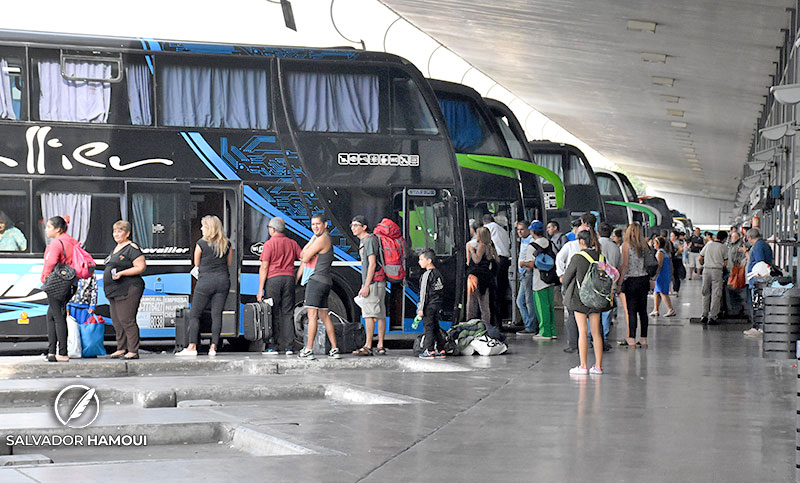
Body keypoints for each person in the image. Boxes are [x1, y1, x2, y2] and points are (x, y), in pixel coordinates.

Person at [176, 215, 232, 357]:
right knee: (216, 315)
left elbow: (197, 264)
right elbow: (229, 263)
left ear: (208, 228)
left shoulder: (201, 243)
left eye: (203, 226)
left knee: (195, 314)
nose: (201, 228)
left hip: (205, 281)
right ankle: (213, 347)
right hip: (223, 281)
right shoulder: (227, 244)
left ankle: (192, 346)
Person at [562, 229, 604, 375]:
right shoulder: (600, 256)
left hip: (580, 299)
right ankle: (598, 366)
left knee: (582, 332)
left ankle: (583, 366)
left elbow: (566, 279)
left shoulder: (577, 257)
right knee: (596, 332)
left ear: (581, 242)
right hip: (596, 298)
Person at [256, 217, 301, 355]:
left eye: (269, 227)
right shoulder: (292, 243)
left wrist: (260, 289)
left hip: (273, 281)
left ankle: (273, 346)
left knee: (272, 313)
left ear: (273, 229)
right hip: (289, 279)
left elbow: (264, 267)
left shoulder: (269, 244)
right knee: (288, 313)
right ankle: (289, 347)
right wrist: (296, 277)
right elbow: (304, 258)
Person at [298, 215, 340, 360]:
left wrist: (312, 240)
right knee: (324, 315)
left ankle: (308, 349)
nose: (315, 227)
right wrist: (313, 238)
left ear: (325, 224)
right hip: (326, 281)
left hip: (316, 281)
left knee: (312, 316)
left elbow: (304, 257)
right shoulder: (326, 238)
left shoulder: (322, 239)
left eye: (318, 224)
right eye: (312, 224)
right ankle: (334, 348)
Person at [104, 220, 146, 360]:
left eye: (120, 231)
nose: (116, 234)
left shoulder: (131, 247)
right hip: (115, 290)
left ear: (127, 233)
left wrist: (122, 273)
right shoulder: (116, 247)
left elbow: (140, 267)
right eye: (115, 231)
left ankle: (133, 350)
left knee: (127, 319)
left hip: (129, 288)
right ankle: (121, 348)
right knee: (116, 320)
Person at [555, 212, 596, 353]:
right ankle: (593, 342)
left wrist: (561, 276)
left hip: (574, 285)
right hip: (592, 286)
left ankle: (574, 343)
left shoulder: (571, 247)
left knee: (573, 315)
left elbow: (559, 259)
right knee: (593, 315)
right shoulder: (598, 248)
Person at [40, 216, 79, 362]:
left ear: (58, 229)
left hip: (57, 283)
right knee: (52, 314)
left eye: (49, 227)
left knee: (58, 316)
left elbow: (50, 262)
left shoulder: (57, 243)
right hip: (71, 283)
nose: (46, 229)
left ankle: (62, 352)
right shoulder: (72, 241)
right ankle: (51, 352)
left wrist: (45, 277)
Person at [351, 215, 388, 356]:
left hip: (373, 283)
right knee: (379, 314)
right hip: (377, 282)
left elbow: (372, 263)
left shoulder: (369, 240)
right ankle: (380, 345)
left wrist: (366, 285)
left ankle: (368, 346)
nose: (353, 228)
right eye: (352, 225)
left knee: (369, 314)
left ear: (364, 227)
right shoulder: (368, 240)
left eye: (356, 225)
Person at [520, 221, 557, 340]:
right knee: (550, 306)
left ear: (532, 232)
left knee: (541, 307)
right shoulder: (549, 243)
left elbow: (532, 264)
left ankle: (544, 332)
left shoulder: (533, 246)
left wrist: (523, 263)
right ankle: (552, 330)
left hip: (539, 280)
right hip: (550, 279)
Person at [617, 223, 649, 348]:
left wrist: (620, 283)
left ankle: (631, 338)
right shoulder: (644, 245)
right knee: (643, 311)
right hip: (644, 279)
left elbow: (624, 265)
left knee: (632, 311)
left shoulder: (626, 245)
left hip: (631, 281)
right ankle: (644, 338)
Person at [482, 214, 511, 326]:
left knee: (495, 292)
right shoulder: (502, 229)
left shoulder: (489, 227)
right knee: (501, 291)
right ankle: (502, 317)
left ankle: (495, 320)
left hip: (497, 261)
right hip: (505, 260)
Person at [417, 249, 446, 358]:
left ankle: (429, 350)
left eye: (421, 259)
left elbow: (423, 293)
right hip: (437, 304)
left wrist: (421, 308)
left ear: (429, 260)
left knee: (428, 328)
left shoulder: (427, 274)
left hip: (428, 306)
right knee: (436, 327)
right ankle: (441, 348)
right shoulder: (438, 273)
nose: (419, 262)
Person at [743, 228, 773, 336]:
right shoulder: (764, 244)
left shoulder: (758, 246)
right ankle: (759, 326)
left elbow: (760, 263)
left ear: (750, 238)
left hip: (757, 280)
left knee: (757, 304)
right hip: (760, 280)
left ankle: (757, 327)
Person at [596, 222, 620, 349]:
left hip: (597, 281)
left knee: (593, 309)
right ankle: (604, 337)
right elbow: (618, 264)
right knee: (606, 310)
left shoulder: (596, 244)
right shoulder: (615, 246)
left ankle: (591, 335)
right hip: (611, 282)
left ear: (598, 232)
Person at [466, 226, 497, 324]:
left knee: (472, 302)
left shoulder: (482, 246)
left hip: (476, 276)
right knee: (484, 304)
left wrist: (472, 251)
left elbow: (476, 260)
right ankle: (486, 324)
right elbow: (497, 259)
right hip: (486, 277)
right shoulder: (491, 246)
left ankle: (470, 323)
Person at [699, 230, 728, 325]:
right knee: (716, 294)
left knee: (705, 292)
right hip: (717, 270)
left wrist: (704, 265)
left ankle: (704, 315)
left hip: (706, 270)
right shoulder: (724, 247)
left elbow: (700, 258)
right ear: (724, 239)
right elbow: (725, 262)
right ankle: (712, 317)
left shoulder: (709, 244)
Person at [514, 221, 538, 335]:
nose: (519, 231)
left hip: (527, 273)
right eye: (518, 229)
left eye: (522, 229)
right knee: (520, 301)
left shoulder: (531, 241)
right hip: (523, 274)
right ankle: (529, 324)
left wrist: (526, 266)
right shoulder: (523, 240)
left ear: (529, 230)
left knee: (528, 301)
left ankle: (531, 326)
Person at [650, 236, 676, 317]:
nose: (654, 245)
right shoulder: (666, 252)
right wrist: (671, 274)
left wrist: (655, 275)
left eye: (654, 243)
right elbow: (671, 265)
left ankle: (670, 309)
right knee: (656, 292)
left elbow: (659, 265)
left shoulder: (659, 253)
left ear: (658, 244)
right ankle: (656, 310)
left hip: (661, 274)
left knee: (662, 292)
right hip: (666, 273)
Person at [725, 229, 747, 317]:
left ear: (738, 237)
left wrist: (740, 263)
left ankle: (739, 310)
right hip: (730, 271)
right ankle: (733, 310)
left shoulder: (741, 245)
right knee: (731, 290)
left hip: (737, 271)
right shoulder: (730, 245)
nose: (732, 238)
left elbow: (743, 257)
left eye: (734, 237)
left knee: (738, 290)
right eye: (731, 236)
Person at [670, 230, 685, 296]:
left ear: (676, 237)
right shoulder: (673, 242)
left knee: (675, 275)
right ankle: (674, 289)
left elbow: (681, 249)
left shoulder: (676, 243)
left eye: (672, 236)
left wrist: (676, 254)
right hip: (675, 260)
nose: (671, 237)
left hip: (676, 260)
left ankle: (675, 289)